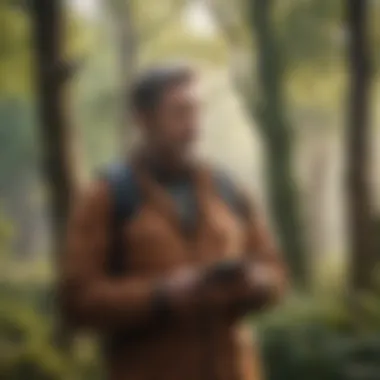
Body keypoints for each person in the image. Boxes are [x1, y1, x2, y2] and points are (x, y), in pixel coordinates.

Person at [61, 62, 288, 380]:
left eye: (196, 111)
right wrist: (160, 295)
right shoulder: (106, 197)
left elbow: (274, 269)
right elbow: (77, 301)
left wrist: (258, 283)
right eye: (179, 113)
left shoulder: (228, 189)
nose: (194, 126)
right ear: (143, 119)